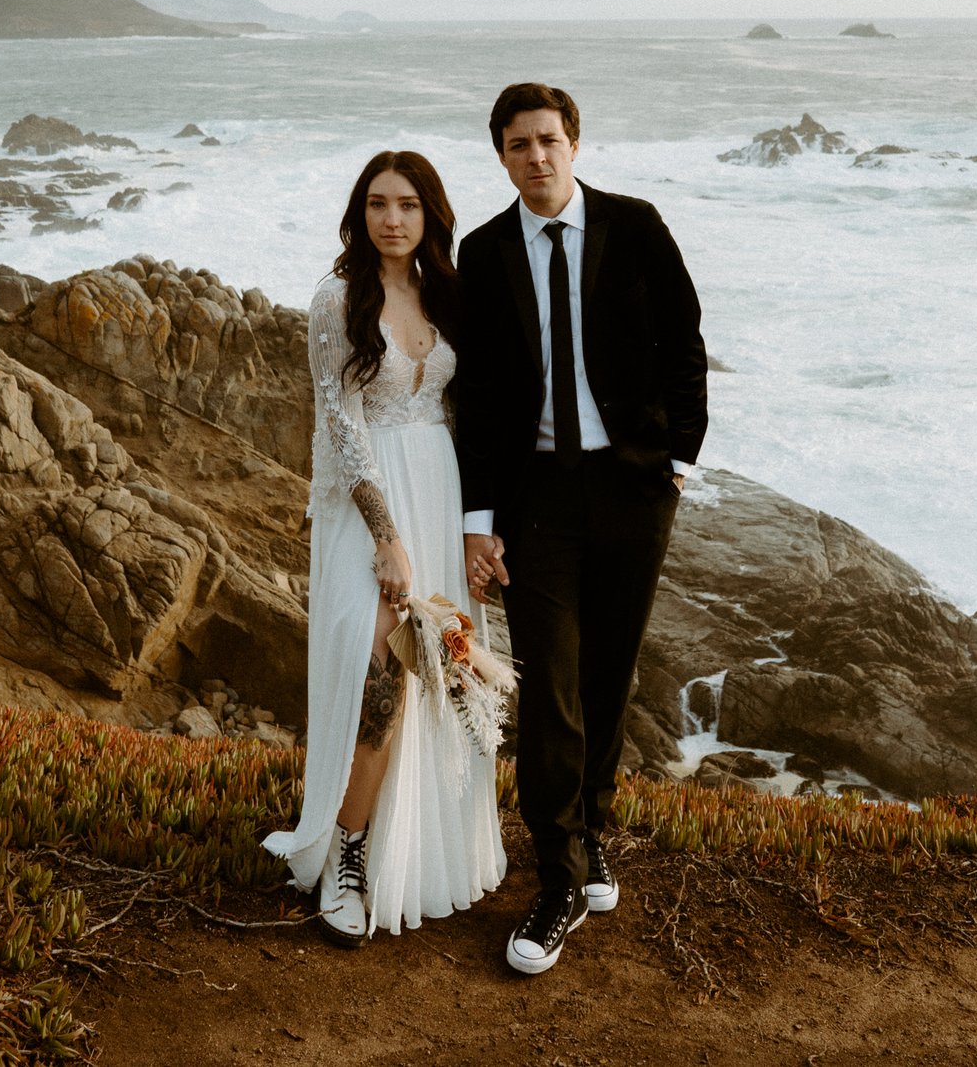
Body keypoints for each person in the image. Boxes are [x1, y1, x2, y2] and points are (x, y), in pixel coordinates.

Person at [452, 83, 708, 976]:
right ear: (502, 155)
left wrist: (678, 458)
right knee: (550, 684)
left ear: (575, 143)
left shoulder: (635, 227)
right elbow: (477, 398)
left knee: (609, 672)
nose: (537, 156)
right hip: (538, 499)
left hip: (634, 488)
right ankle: (557, 878)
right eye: (519, 144)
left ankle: (593, 828)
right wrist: (479, 520)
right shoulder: (483, 253)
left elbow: (685, 340)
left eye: (549, 140)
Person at [263, 150, 505, 944]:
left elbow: (474, 412)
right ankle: (346, 852)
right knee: (382, 670)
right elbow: (344, 426)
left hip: (439, 484)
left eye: (406, 204)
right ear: (358, 214)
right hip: (370, 508)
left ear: (430, 213)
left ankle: (428, 852)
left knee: (443, 666)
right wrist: (387, 537)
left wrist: (480, 525)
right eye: (376, 203)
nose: (391, 218)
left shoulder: (449, 294)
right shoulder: (336, 300)